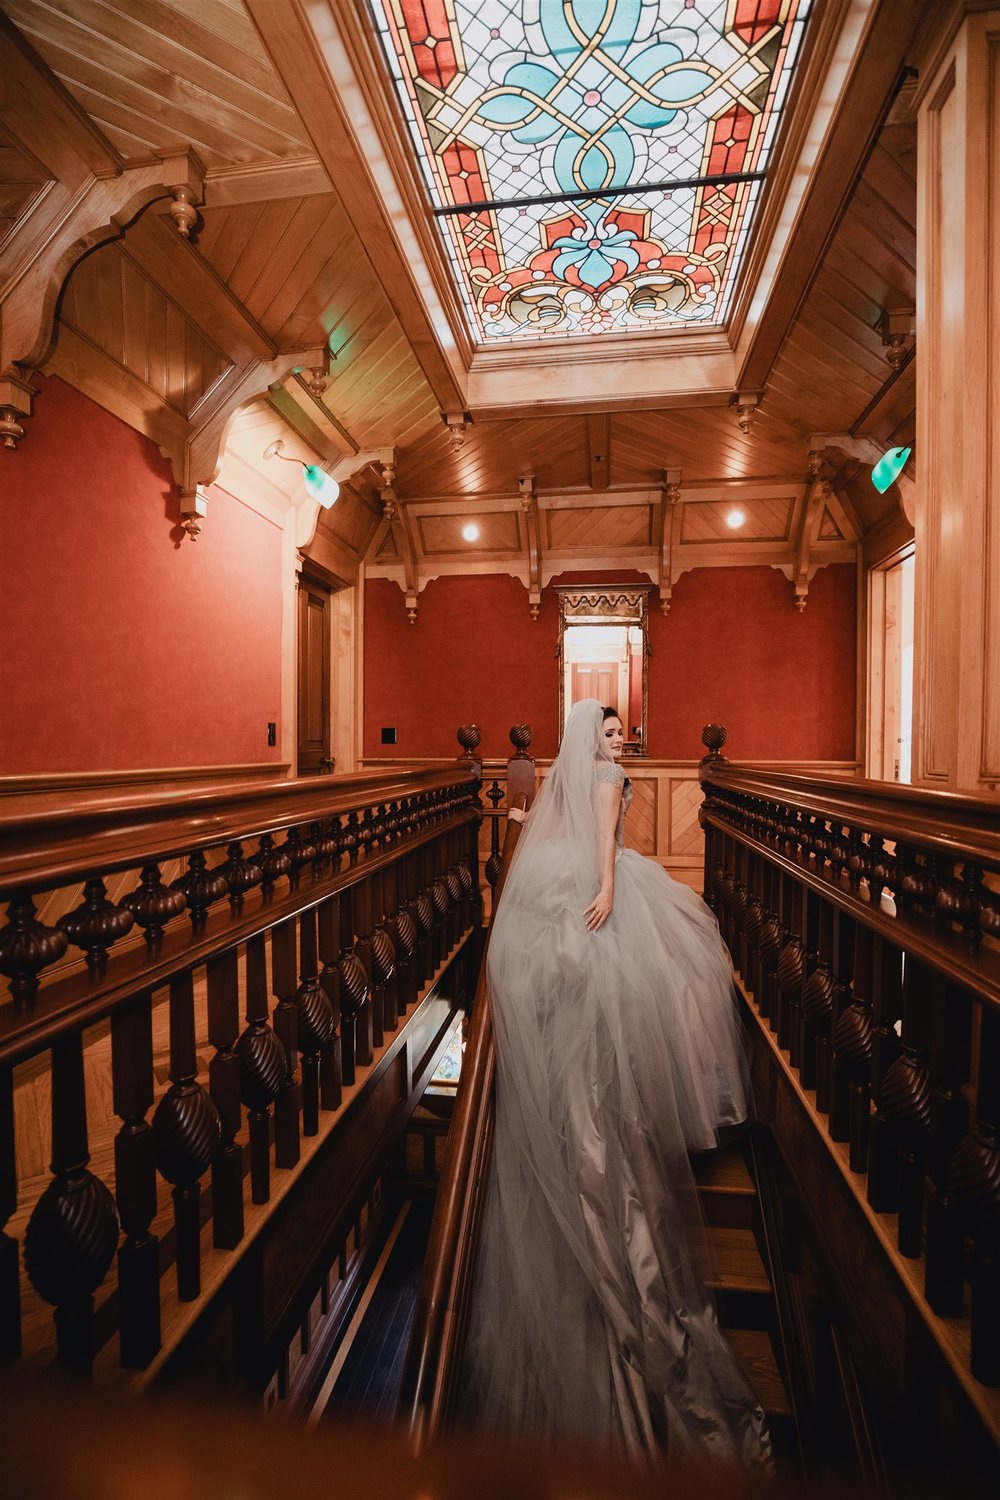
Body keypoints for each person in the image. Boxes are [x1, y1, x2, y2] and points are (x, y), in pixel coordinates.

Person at [460, 699, 772, 1471]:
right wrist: (604, 891)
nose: (615, 740)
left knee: (618, 1015)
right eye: (604, 732)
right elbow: (604, 843)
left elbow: (572, 836)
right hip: (614, 883)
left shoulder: (577, 776)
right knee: (652, 993)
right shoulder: (606, 776)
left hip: (608, 884)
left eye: (612, 733)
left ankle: (600, 1109)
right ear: (586, 740)